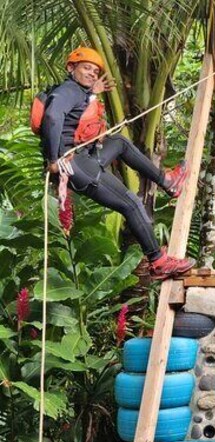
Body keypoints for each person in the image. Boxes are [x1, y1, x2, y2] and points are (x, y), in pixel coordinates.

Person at [36, 47, 195, 279]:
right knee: (130, 203)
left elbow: (76, 116)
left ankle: (167, 182)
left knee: (119, 142)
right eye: (86, 68)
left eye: (95, 70)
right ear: (71, 68)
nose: (92, 73)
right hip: (74, 164)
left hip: (84, 158)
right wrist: (53, 159)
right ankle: (158, 261)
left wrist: (93, 91)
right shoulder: (67, 90)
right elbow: (52, 117)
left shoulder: (78, 91)